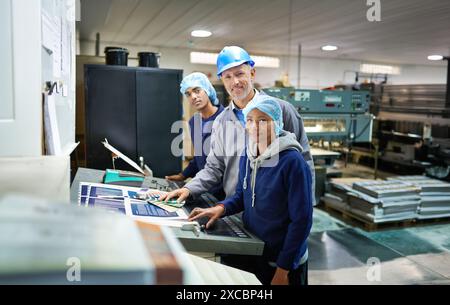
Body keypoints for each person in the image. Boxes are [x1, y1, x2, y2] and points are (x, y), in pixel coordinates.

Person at [161, 46, 315, 205]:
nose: (234, 82)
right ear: (222, 80)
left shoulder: (282, 110)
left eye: (240, 74)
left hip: (275, 214)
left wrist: (305, 208)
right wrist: (189, 188)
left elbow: (304, 163)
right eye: (227, 76)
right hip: (234, 210)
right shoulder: (221, 122)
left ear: (252, 73)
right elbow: (214, 167)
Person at [188, 96, 313, 285]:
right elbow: (241, 195)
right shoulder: (249, 154)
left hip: (285, 261)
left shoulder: (292, 162)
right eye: (250, 120)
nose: (255, 127)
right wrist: (221, 208)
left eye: (263, 120)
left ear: (277, 123)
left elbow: (302, 221)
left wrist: (283, 269)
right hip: (256, 248)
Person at [165, 72, 225, 199]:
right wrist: (183, 175)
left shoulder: (227, 119)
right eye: (188, 94)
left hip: (225, 193)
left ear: (207, 90)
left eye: (197, 91)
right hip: (204, 189)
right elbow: (199, 157)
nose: (193, 96)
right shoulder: (194, 122)